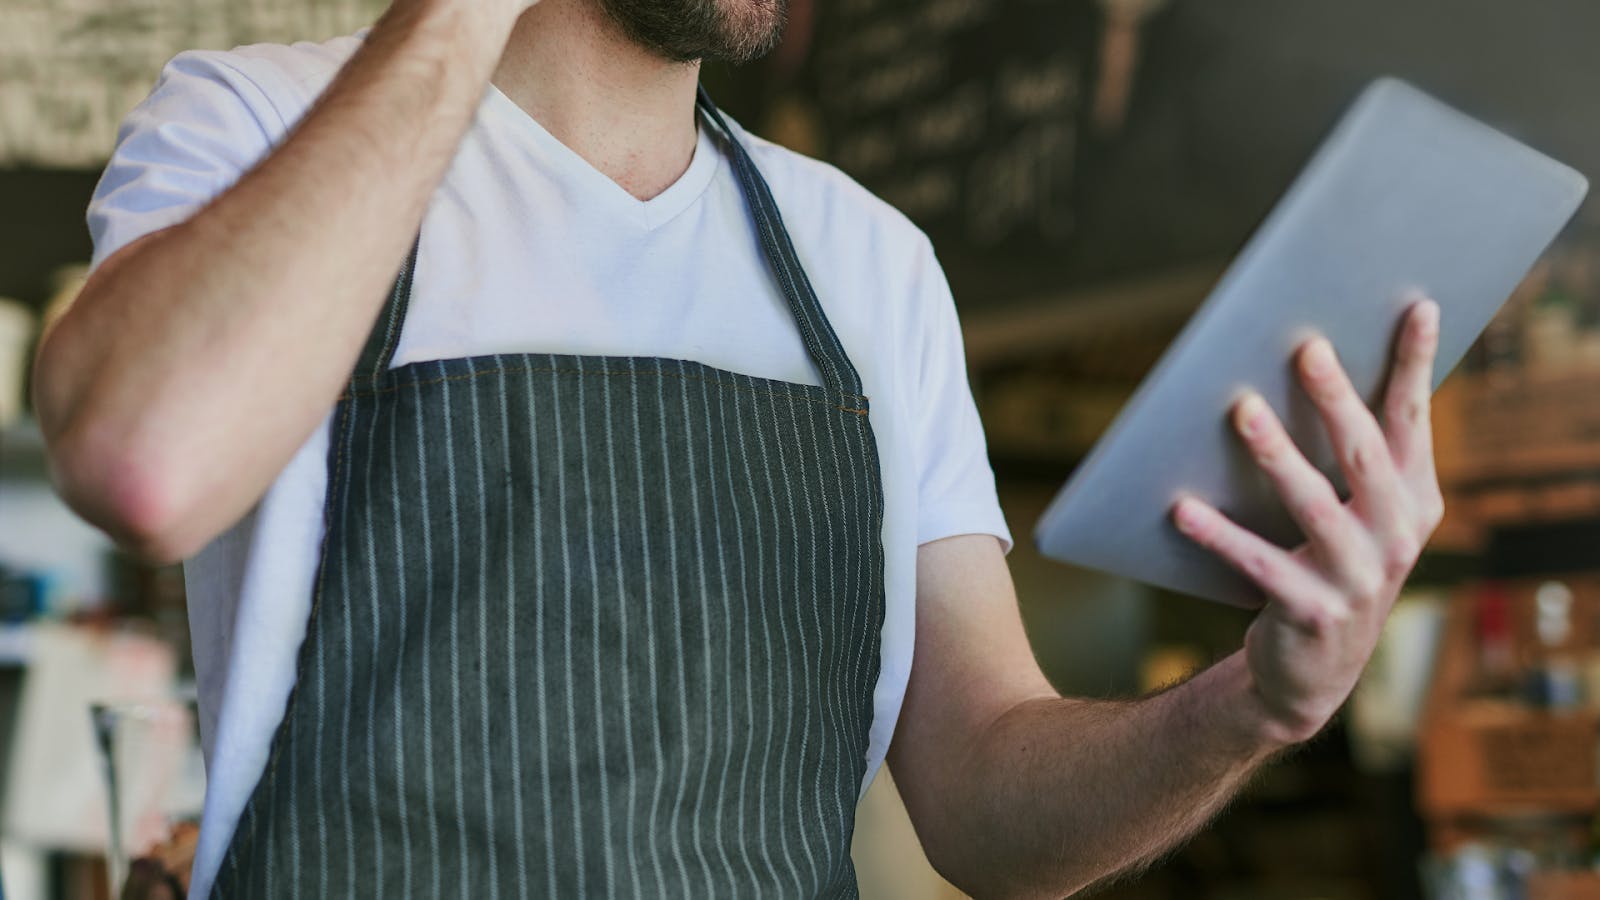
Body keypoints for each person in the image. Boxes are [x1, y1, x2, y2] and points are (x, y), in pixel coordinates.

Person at [31, 0, 1445, 895]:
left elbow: (986, 799)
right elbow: (142, 463)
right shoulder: (255, 124)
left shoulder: (863, 261)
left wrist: (1256, 706)